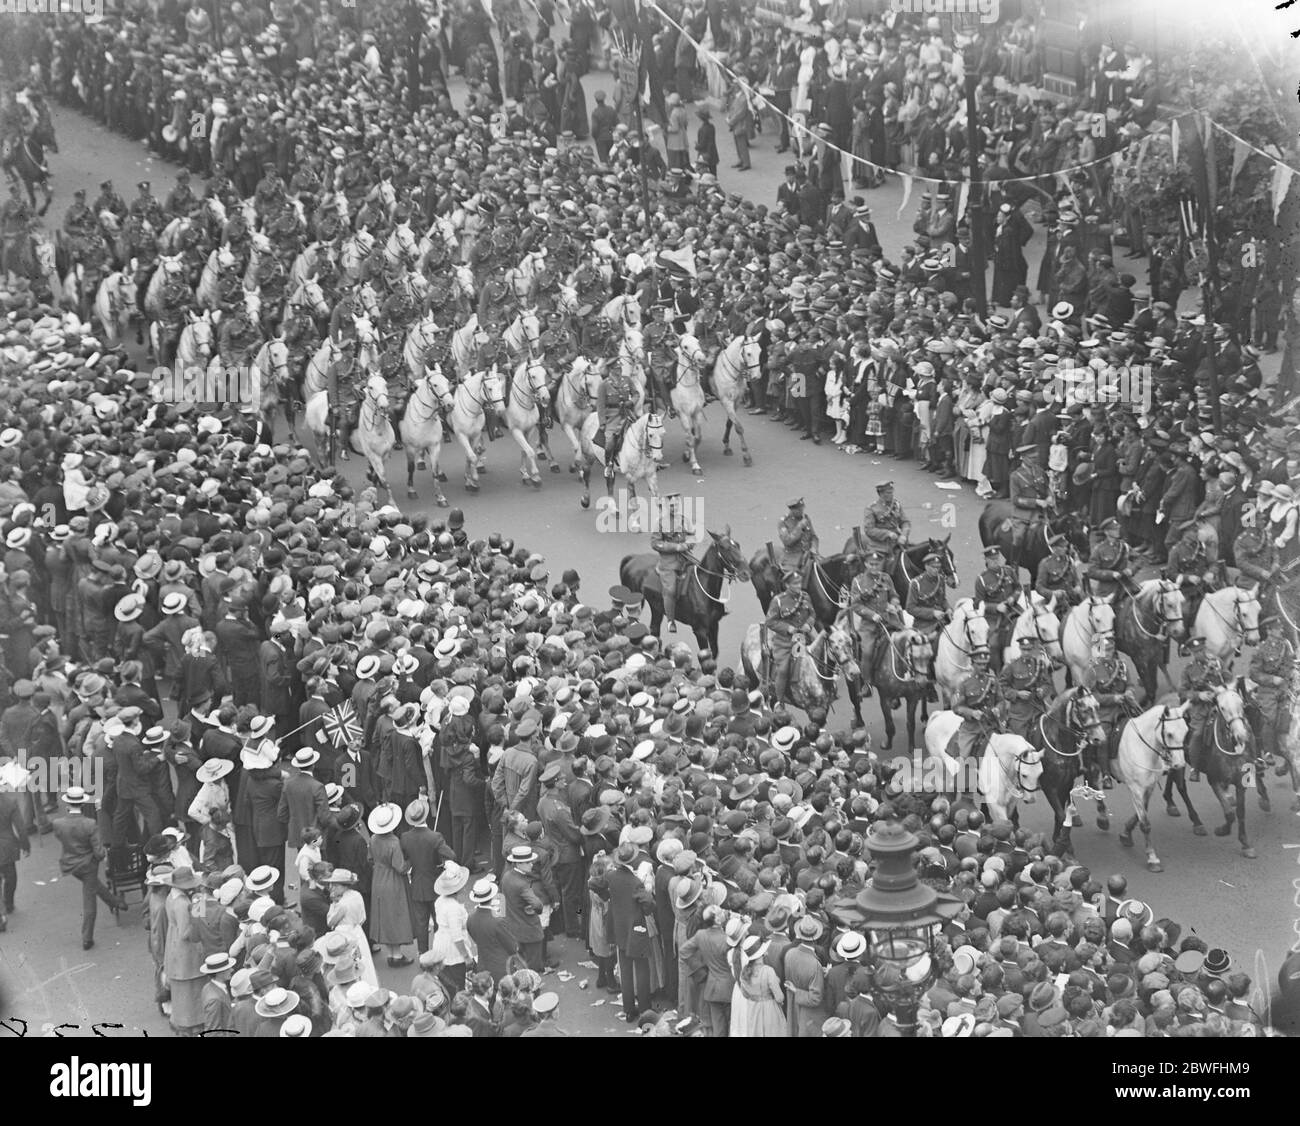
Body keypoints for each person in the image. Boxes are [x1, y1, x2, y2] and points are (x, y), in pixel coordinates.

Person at [52, 785, 126, 950]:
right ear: (83, 804)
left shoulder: (58, 824)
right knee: (89, 901)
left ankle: (115, 902)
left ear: (68, 804)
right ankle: (87, 937)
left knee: (92, 885)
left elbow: (60, 838)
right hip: (88, 865)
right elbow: (99, 853)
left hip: (70, 864)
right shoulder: (89, 824)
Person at [367, 802, 414, 967]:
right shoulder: (394, 842)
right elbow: (400, 867)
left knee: (385, 917)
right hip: (393, 880)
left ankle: (391, 953)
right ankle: (398, 955)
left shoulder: (373, 838)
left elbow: (370, 858)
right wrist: (410, 862)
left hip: (378, 877)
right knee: (397, 916)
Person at [765, 569, 815, 707]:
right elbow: (770, 622)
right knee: (783, 670)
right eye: (795, 584)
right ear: (787, 585)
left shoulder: (805, 597)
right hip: (785, 643)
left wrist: (808, 625)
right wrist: (788, 628)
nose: (799, 586)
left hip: (804, 637)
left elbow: (812, 614)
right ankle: (779, 702)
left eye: (799, 583)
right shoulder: (778, 601)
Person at [1180, 636, 1226, 782]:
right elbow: (1182, 692)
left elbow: (1229, 679)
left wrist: (1220, 688)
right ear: (1192, 653)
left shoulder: (1217, 662)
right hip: (1201, 708)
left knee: (1241, 726)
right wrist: (1199, 695)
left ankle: (1256, 760)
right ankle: (1195, 768)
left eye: (1202, 650)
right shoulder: (1188, 670)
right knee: (1197, 734)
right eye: (1196, 652)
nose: (1200, 654)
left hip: (1220, 703)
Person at [947, 650, 1004, 761]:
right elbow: (956, 707)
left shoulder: (992, 680)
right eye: (979, 664)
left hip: (992, 725)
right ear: (972, 664)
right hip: (972, 728)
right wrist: (972, 713)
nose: (983, 667)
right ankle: (964, 777)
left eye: (984, 664)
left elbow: (1001, 700)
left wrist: (998, 708)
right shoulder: (964, 683)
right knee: (964, 758)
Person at [651, 494, 693, 634]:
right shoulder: (660, 523)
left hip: (685, 558)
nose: (674, 508)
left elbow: (691, 535)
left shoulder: (683, 519)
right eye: (671, 506)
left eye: (676, 505)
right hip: (668, 561)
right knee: (671, 589)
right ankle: (670, 621)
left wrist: (689, 544)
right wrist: (675, 547)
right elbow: (655, 543)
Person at [975, 545, 1020, 672]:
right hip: (994, 617)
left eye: (997, 559)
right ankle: (999, 672)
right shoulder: (981, 580)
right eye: (992, 560)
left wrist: (1013, 598)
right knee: (993, 644)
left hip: (1013, 610)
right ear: (986, 561)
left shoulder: (1009, 571)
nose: (996, 562)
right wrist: (996, 607)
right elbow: (978, 603)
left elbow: (1018, 588)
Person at [860, 481, 910, 574]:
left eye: (892, 492)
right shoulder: (871, 508)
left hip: (898, 543)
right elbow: (869, 530)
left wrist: (904, 535)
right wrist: (888, 534)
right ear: (881, 494)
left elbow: (905, 522)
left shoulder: (896, 505)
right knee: (875, 572)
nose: (891, 495)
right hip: (880, 546)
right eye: (888, 493)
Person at [907, 552, 951, 645]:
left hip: (942, 620)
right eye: (933, 567)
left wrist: (948, 608)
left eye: (938, 567)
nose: (936, 570)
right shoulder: (916, 583)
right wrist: (932, 613)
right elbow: (910, 608)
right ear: (926, 566)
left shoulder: (941, 579)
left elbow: (942, 599)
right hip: (924, 624)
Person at [1087, 517, 1133, 599]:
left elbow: (1140, 559)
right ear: (1106, 532)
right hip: (1107, 589)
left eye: (1117, 528)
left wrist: (1131, 570)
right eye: (1114, 530)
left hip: (1126, 585)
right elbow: (1091, 571)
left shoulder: (1124, 546)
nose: (1117, 531)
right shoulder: (1099, 549)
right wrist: (1111, 574)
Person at [777, 497, 818, 579]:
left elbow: (814, 537)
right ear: (792, 510)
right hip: (793, 557)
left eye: (802, 509)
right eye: (799, 510)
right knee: (794, 582)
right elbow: (787, 541)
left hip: (809, 555)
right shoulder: (784, 522)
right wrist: (799, 527)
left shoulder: (805, 518)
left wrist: (814, 548)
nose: (801, 512)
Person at [1035, 533, 1081, 606]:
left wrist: (1078, 586)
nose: (1065, 549)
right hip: (1055, 603)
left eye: (1065, 546)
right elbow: (1039, 587)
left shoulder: (1070, 561)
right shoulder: (1045, 564)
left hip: (1073, 600)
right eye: (1062, 547)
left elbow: (1076, 580)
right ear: (1054, 549)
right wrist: (1052, 593)